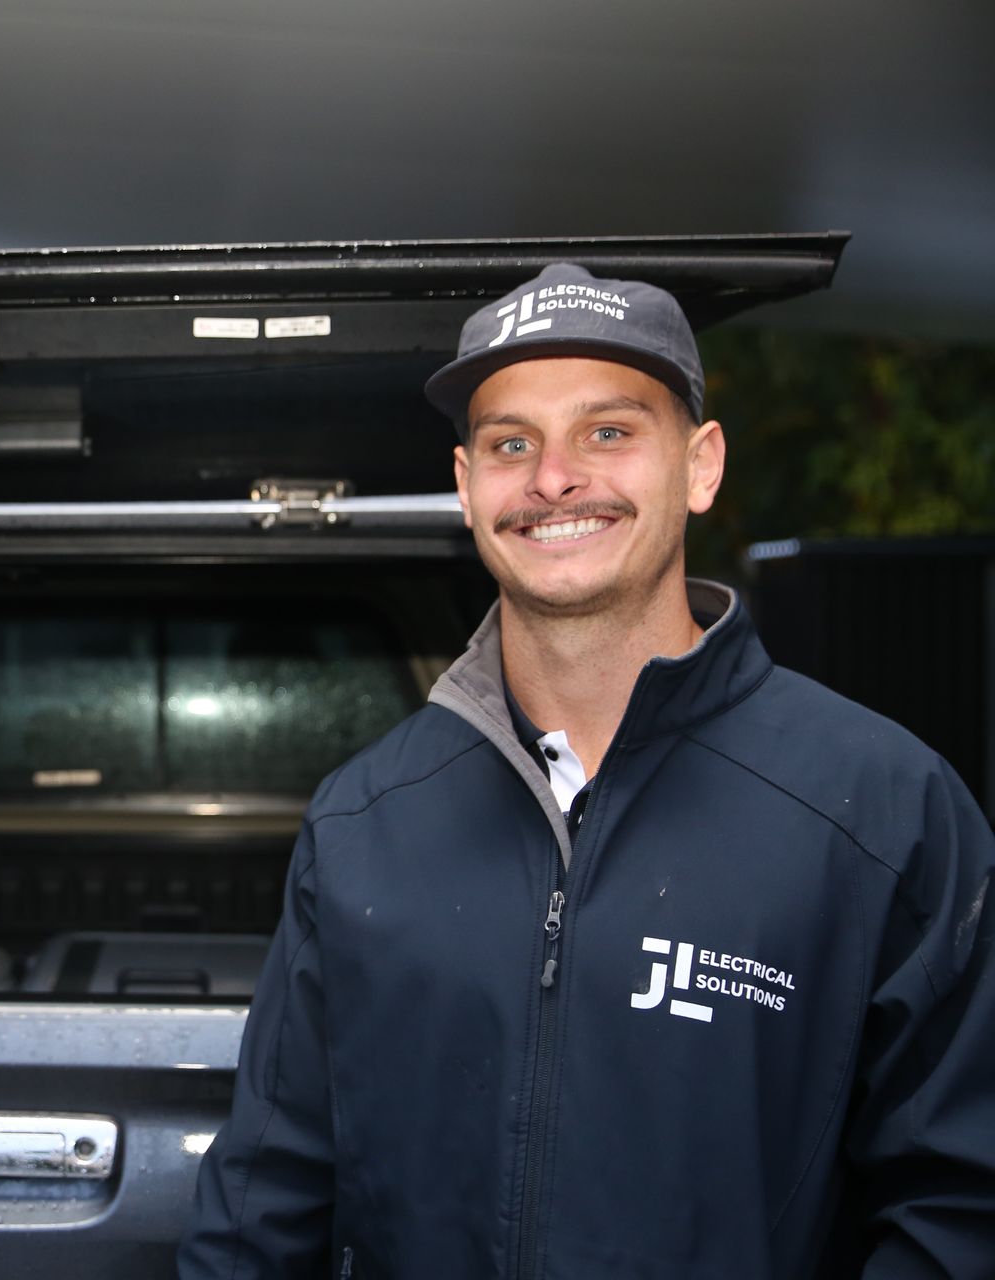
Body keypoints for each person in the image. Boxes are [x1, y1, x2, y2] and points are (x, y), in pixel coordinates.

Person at [178, 263, 995, 1278]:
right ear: (467, 486)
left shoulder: (882, 810)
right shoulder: (364, 818)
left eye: (608, 431)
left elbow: (959, 1206)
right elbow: (266, 1199)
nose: (554, 478)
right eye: (510, 443)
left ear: (700, 465)